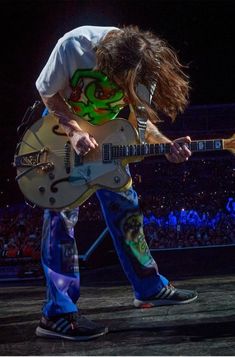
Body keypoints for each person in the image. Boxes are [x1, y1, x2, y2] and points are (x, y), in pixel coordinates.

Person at [35, 25, 198, 341]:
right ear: (105, 62)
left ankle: (149, 286)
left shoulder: (143, 63)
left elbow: (140, 119)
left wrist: (165, 145)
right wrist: (75, 132)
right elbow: (47, 91)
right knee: (61, 221)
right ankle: (57, 314)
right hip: (61, 135)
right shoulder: (73, 46)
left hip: (107, 136)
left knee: (127, 209)